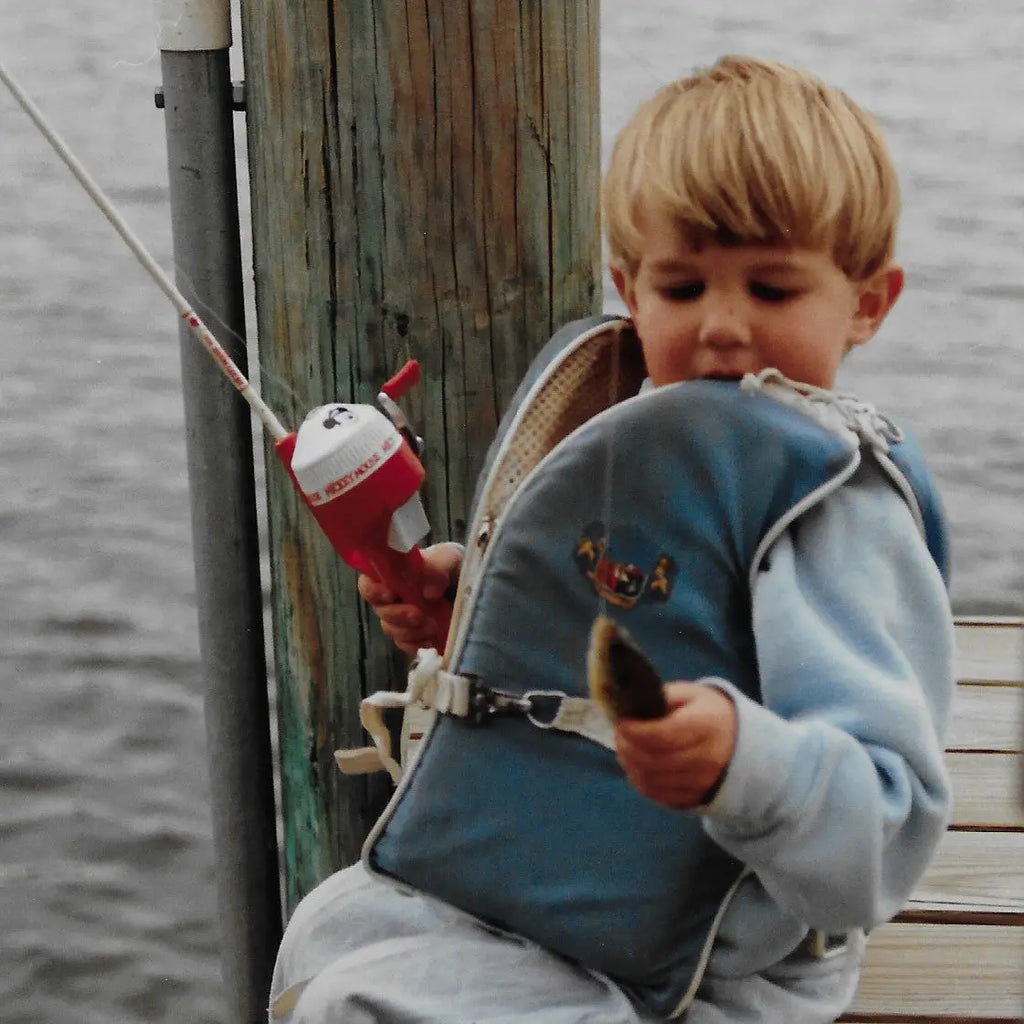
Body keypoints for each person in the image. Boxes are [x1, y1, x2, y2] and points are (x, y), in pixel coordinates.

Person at [268, 55, 955, 1024]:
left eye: (770, 289)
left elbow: (882, 836)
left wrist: (737, 762)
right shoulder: (658, 447)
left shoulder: (825, 506)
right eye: (682, 288)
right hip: (554, 904)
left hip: (713, 970)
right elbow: (641, 606)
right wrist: (460, 610)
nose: (722, 328)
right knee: (332, 928)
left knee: (358, 1006)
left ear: (867, 302)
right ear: (629, 291)